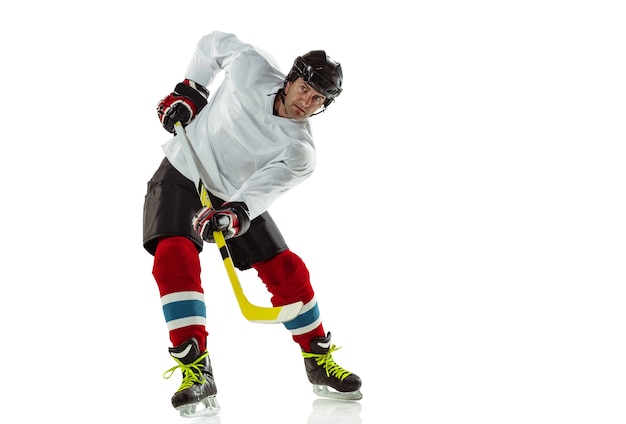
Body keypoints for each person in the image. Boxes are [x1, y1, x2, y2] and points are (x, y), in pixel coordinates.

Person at [142, 31, 362, 416]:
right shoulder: (251, 67)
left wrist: (231, 216)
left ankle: (317, 360)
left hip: (233, 193)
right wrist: (191, 90)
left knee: (287, 270)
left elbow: (258, 193)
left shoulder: (300, 152)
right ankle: (196, 371)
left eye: (318, 100)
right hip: (182, 169)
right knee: (173, 257)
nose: (306, 102)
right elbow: (212, 44)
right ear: (291, 78)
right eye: (304, 89)